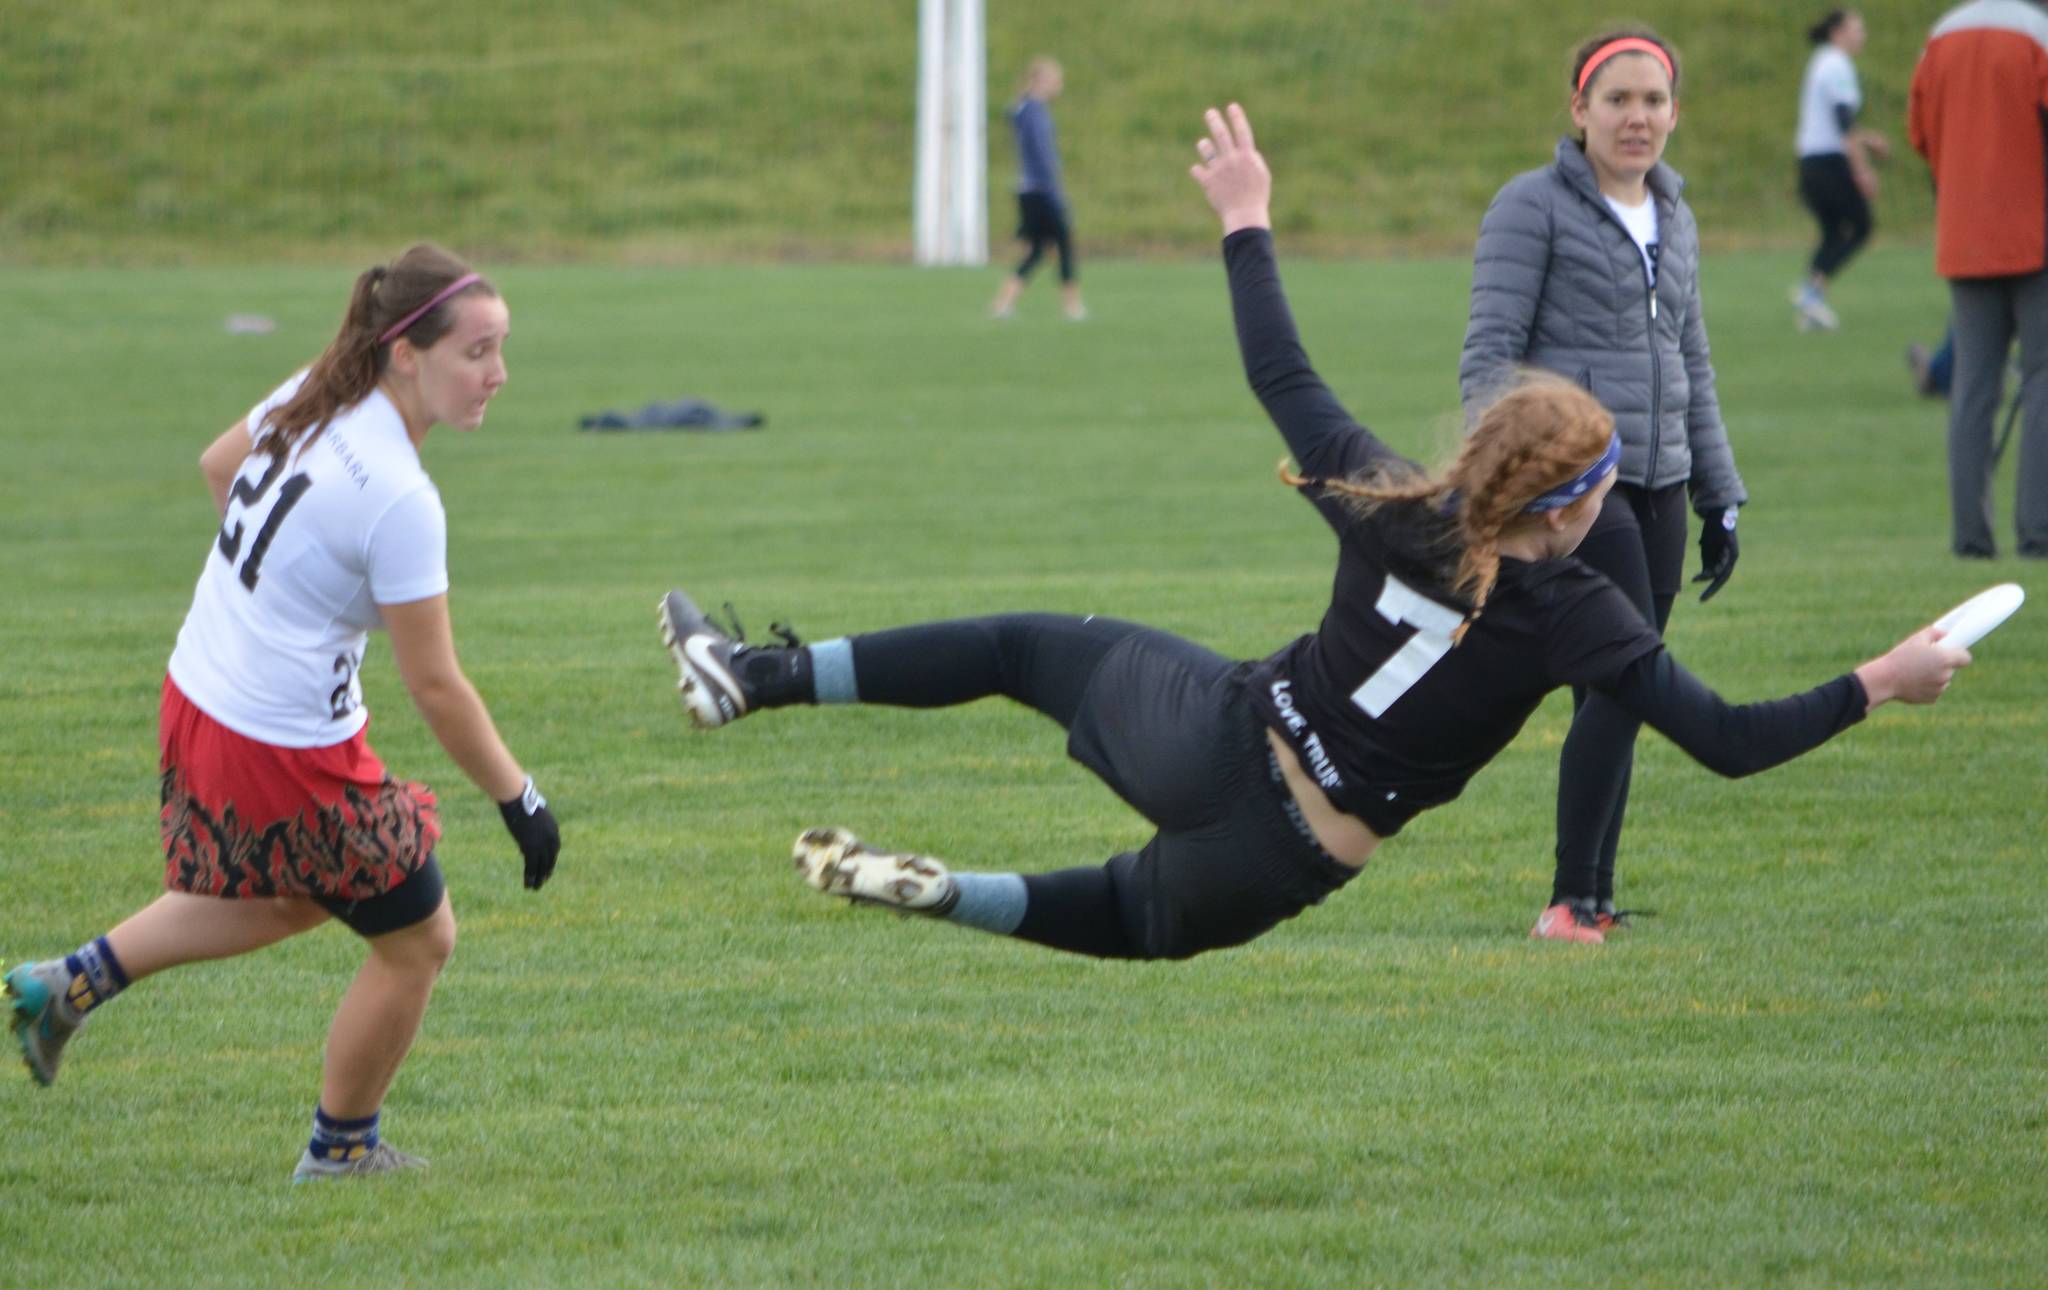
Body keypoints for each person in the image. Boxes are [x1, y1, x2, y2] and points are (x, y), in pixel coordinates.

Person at [652, 105, 1965, 965]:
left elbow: (1281, 373)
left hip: (1218, 724)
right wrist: (1882, 681)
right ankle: (965, 894)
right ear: (1577, 504)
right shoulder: (1589, 618)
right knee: (1125, 911)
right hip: (1291, 851)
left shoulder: (1400, 503)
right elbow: (1731, 744)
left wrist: (1245, 216)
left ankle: (756, 680)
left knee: (1013, 644)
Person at [5, 245, 562, 1182]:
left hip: (199, 694)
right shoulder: (399, 496)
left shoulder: (322, 388)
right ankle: (342, 1150)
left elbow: (219, 466)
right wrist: (520, 797)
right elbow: (436, 685)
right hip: (277, 743)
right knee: (418, 939)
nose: (498, 375)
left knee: (299, 891)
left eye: (503, 350)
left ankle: (67, 985)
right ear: (407, 354)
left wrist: (272, 606)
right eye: (478, 351)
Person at [1459, 29, 1749, 943]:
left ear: (1675, 112)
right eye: (1617, 100)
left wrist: (1719, 492)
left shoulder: (1676, 215)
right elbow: (1489, 358)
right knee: (1628, 682)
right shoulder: (1530, 207)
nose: (1638, 118)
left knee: (1614, 691)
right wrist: (1508, 484)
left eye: (1654, 101)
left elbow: (1690, 363)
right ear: (1578, 109)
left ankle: (1592, 895)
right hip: (1580, 488)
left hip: (1663, 482)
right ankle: (1569, 901)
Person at [1909, 0, 2048, 559]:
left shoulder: (1943, 34)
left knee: (1972, 389)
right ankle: (2038, 531)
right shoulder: (2037, 34)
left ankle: (1971, 536)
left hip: (1964, 235)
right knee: (2041, 381)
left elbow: (1921, 134)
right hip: (2036, 235)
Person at [1793, 9, 1889, 332]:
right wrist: (1862, 171)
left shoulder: (1822, 60)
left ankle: (1811, 297)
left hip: (1811, 161)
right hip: (1828, 163)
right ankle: (1810, 294)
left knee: (1835, 231)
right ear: (1837, 32)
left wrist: (1868, 138)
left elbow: (1836, 124)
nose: (1862, 34)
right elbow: (1843, 123)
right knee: (1860, 226)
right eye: (1856, 28)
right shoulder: (1836, 64)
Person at [988, 57, 1085, 322]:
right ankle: (1072, 307)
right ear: (1041, 81)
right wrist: (1054, 189)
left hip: (1029, 190)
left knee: (1039, 250)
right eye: (1056, 80)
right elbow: (1042, 156)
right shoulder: (1033, 113)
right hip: (1041, 190)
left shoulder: (1022, 109)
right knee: (1062, 244)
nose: (1059, 85)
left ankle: (1003, 303)